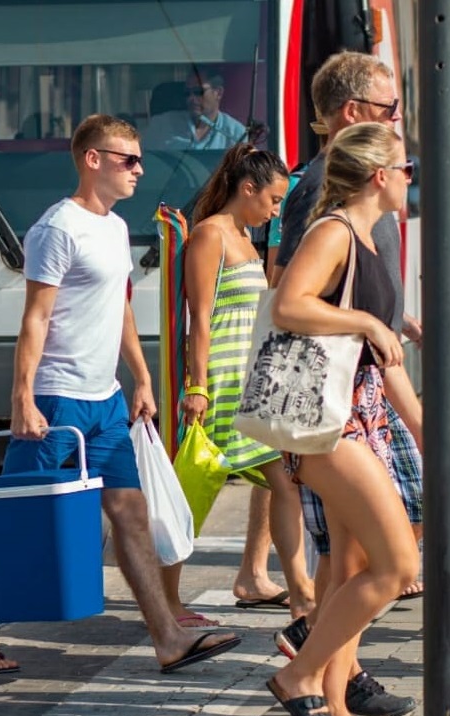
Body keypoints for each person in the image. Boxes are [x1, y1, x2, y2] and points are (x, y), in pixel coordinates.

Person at [0, 114, 241, 674]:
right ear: (92, 160)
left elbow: (121, 308)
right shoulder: (57, 229)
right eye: (128, 159)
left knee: (131, 513)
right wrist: (22, 399)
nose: (139, 168)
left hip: (104, 401)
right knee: (18, 514)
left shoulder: (113, 227)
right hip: (56, 399)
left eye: (139, 159)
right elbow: (35, 319)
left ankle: (167, 637)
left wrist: (142, 376)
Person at [269, 52, 420, 716]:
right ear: (379, 173)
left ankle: (332, 707)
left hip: (356, 414)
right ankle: (303, 672)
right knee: (390, 564)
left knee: (356, 561)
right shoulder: (330, 221)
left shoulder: (359, 228)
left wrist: (386, 320)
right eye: (405, 165)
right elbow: (288, 302)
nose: (412, 177)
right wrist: (365, 319)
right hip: (332, 419)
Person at [174, 143, 313, 625]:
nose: (275, 211)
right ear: (247, 188)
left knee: (283, 483)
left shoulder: (242, 236)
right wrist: (198, 387)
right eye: (272, 201)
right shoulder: (210, 234)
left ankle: (295, 592)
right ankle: (166, 597)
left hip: (247, 384)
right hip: (220, 387)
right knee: (190, 497)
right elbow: (201, 316)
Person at [144, 70, 246, 151]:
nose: (191, 99)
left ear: (218, 93)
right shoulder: (161, 125)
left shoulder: (236, 134)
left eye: (198, 92)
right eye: (187, 93)